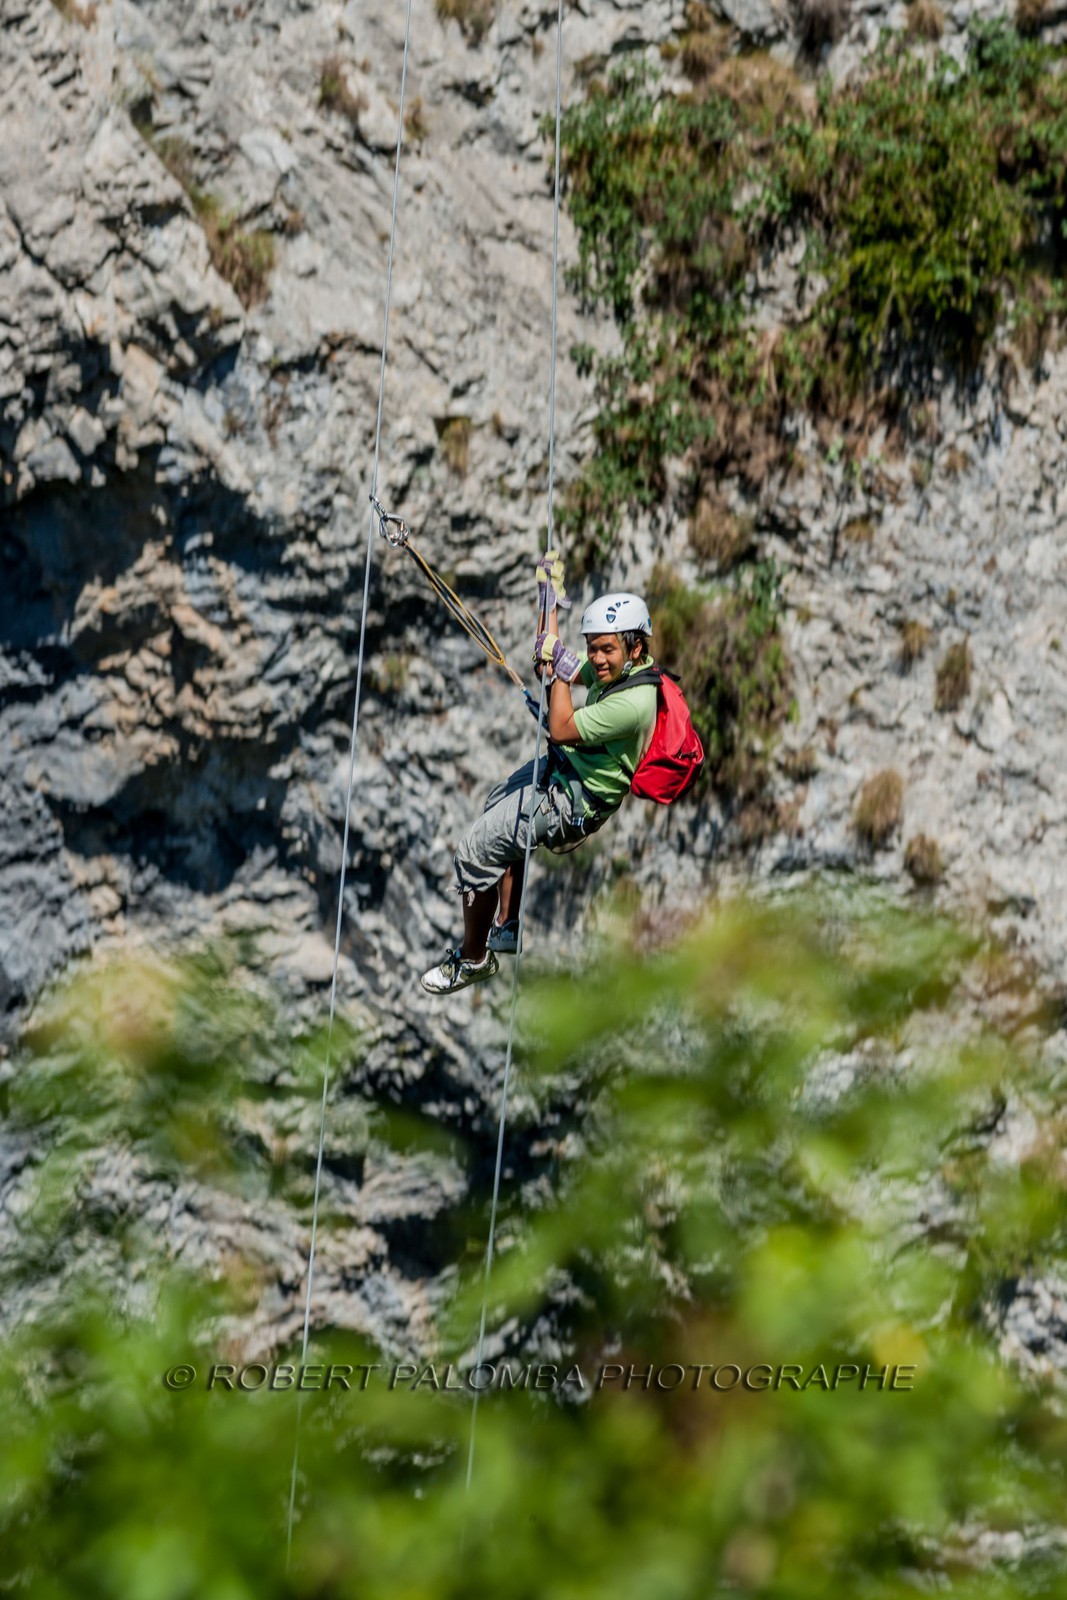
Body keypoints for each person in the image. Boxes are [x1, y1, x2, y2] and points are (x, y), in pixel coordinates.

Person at [421, 552, 657, 995]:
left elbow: (563, 726)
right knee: (497, 802)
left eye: (608, 649)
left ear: (635, 647)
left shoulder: (634, 703)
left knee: (473, 853)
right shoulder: (625, 670)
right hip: (572, 772)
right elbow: (561, 662)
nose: (598, 658)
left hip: (573, 800)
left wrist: (559, 668)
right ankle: (506, 923)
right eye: (595, 647)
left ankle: (473, 961)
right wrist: (549, 602)